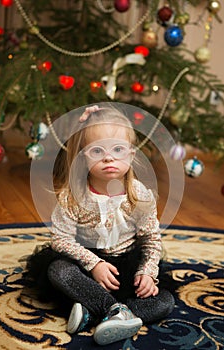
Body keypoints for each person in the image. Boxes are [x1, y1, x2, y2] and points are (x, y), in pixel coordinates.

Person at [26, 104, 175, 346]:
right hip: (88, 266)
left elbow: (151, 240)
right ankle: (112, 310)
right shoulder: (73, 196)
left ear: (131, 155)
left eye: (118, 149)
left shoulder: (140, 196)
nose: (108, 157)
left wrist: (147, 273)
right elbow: (60, 239)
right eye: (97, 151)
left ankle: (94, 312)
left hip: (126, 269)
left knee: (164, 301)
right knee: (58, 271)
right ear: (82, 156)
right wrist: (93, 264)